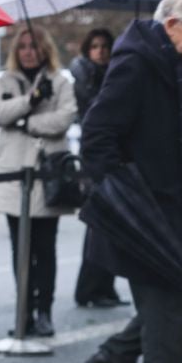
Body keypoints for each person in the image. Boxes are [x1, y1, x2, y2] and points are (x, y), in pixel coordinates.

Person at [80, 0, 182, 363]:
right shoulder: (138, 62)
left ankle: (116, 356)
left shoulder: (174, 63)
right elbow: (97, 132)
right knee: (167, 297)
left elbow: (174, 122)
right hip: (142, 206)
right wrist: (117, 190)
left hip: (169, 198)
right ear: (172, 24)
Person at [0, 25, 78, 338]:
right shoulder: (6, 81)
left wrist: (26, 122)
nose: (28, 51)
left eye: (34, 46)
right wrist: (30, 101)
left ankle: (45, 312)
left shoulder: (60, 81)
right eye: (22, 46)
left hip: (46, 177)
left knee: (45, 248)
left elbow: (65, 118)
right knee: (20, 251)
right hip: (14, 180)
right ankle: (23, 312)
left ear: (45, 49)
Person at [69, 27, 126, 309]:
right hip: (96, 161)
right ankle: (89, 288)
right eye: (95, 46)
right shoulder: (84, 76)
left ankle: (105, 286)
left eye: (105, 46)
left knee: (112, 226)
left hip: (115, 158)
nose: (100, 51)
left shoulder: (117, 74)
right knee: (98, 224)